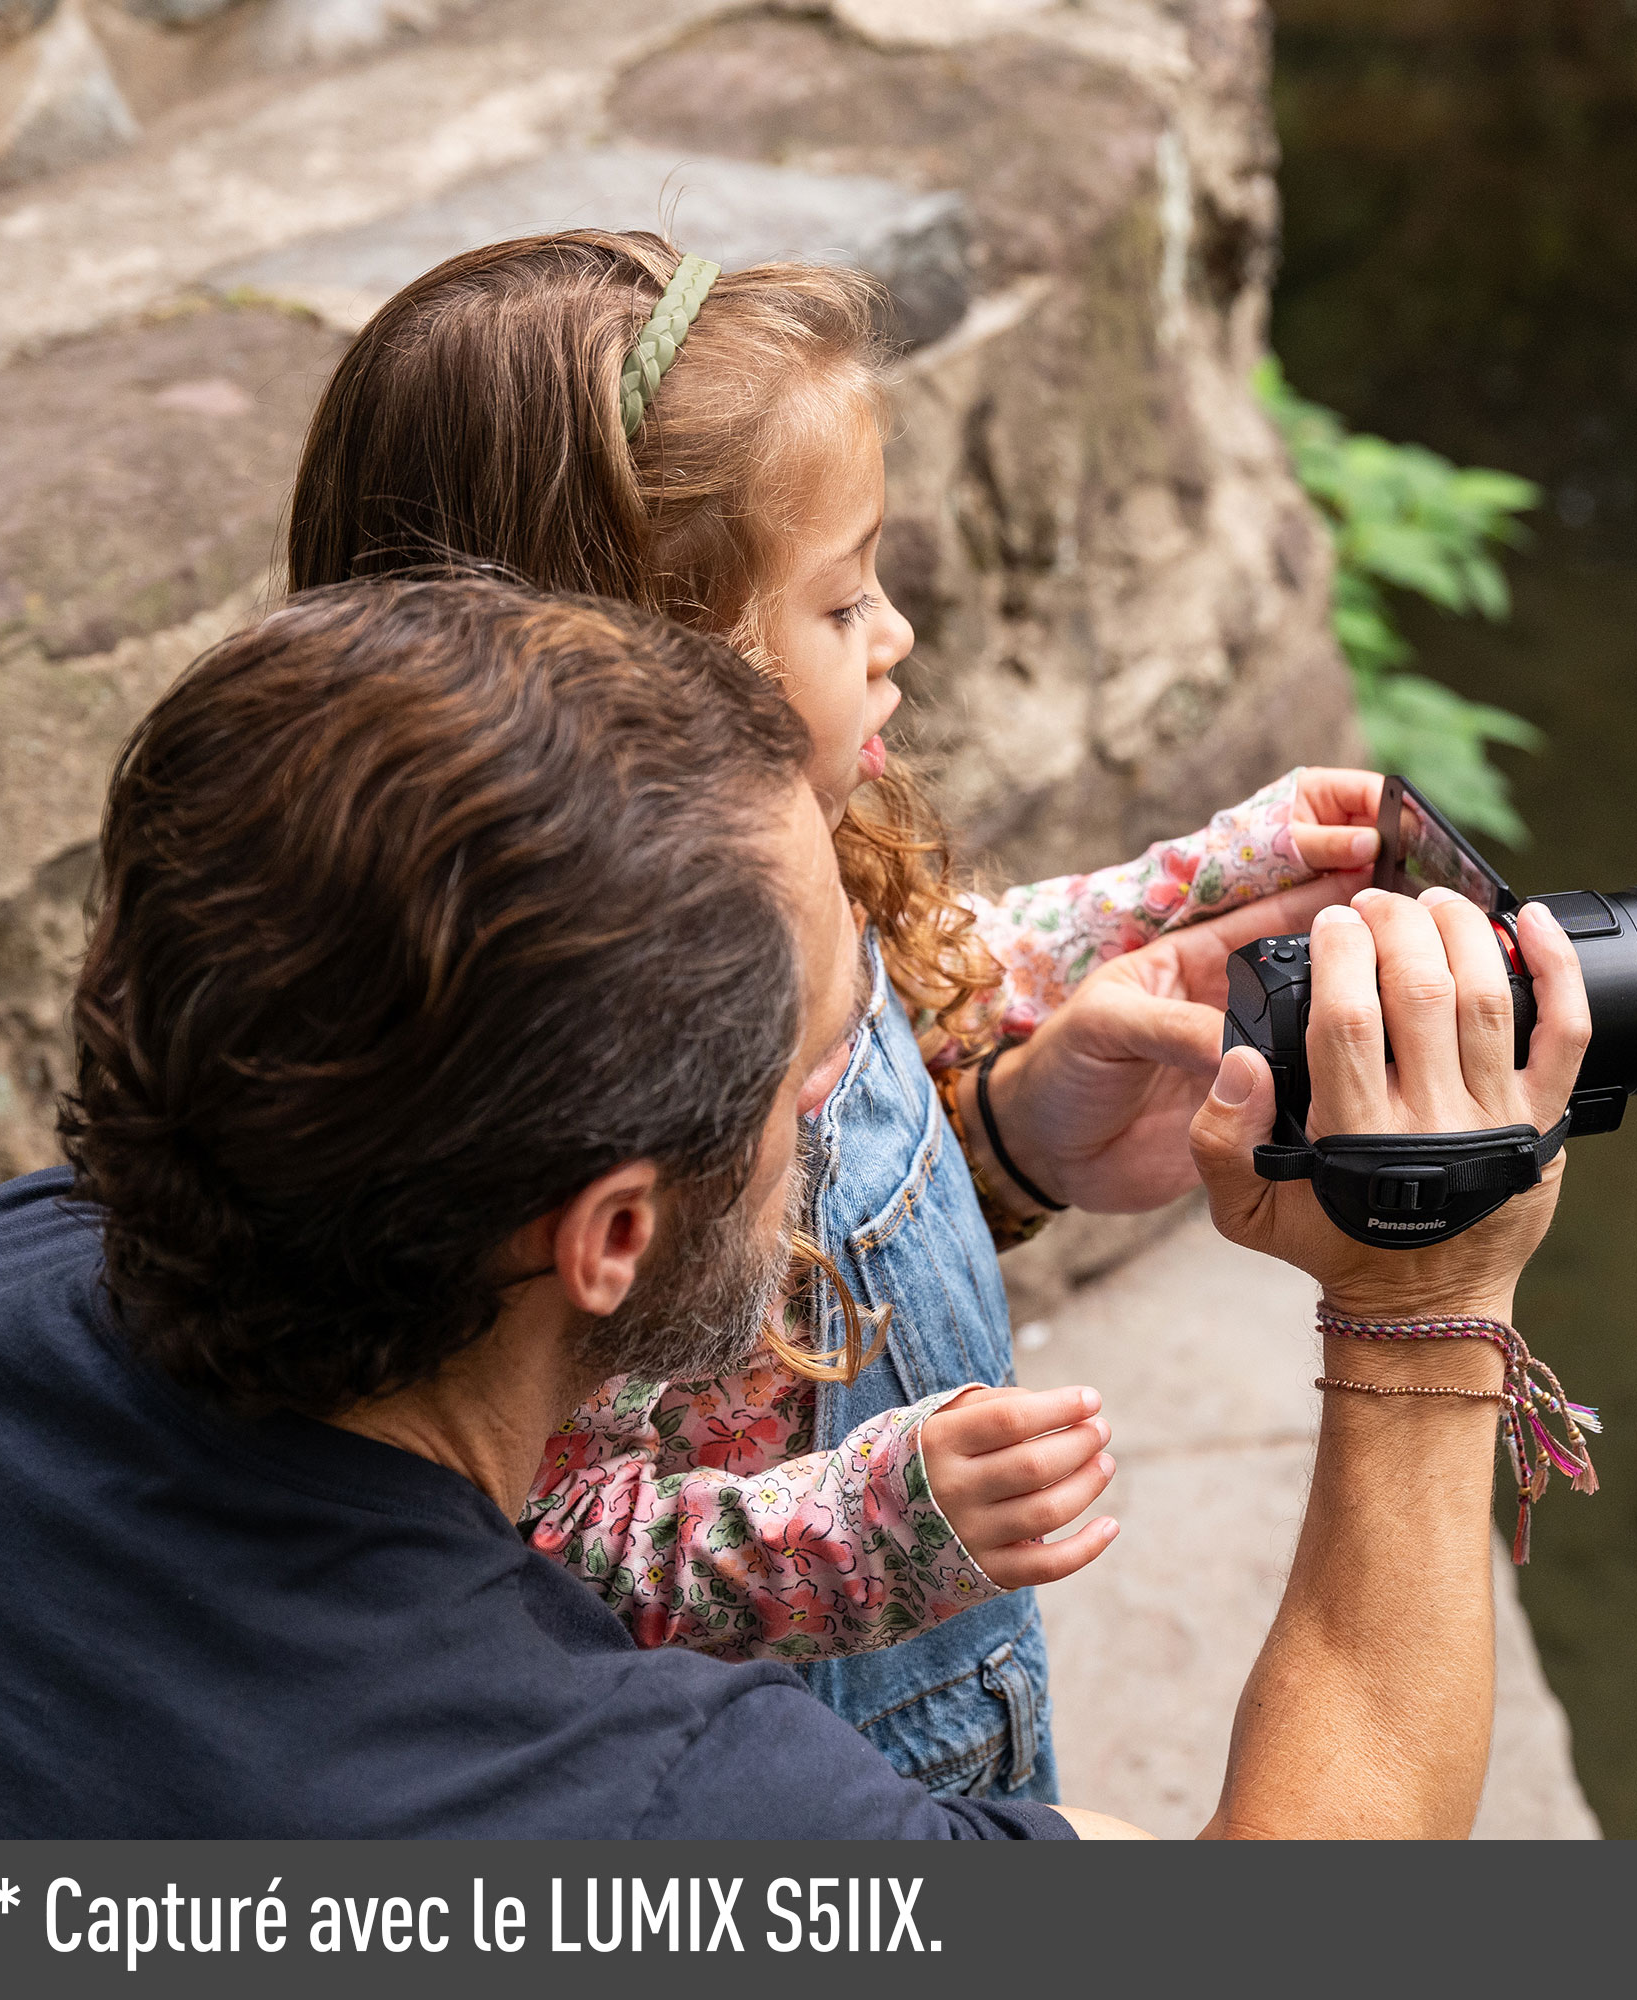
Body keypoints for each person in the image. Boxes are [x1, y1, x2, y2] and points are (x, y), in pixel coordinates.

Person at [0, 575, 1592, 1839]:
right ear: (611, 1239)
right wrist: (1426, 1299)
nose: (844, 1114)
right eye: (822, 1078)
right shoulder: (653, 1816)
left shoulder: (4, 1283)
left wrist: (1000, 1149)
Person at [288, 230, 1387, 1796]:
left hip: (956, 1663)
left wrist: (1181, 891)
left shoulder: (791, 853)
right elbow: (536, 1547)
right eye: (843, 599)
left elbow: (914, 974)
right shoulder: (548, 1102)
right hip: (817, 1772)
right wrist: (871, 1531)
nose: (896, 636)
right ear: (659, 674)